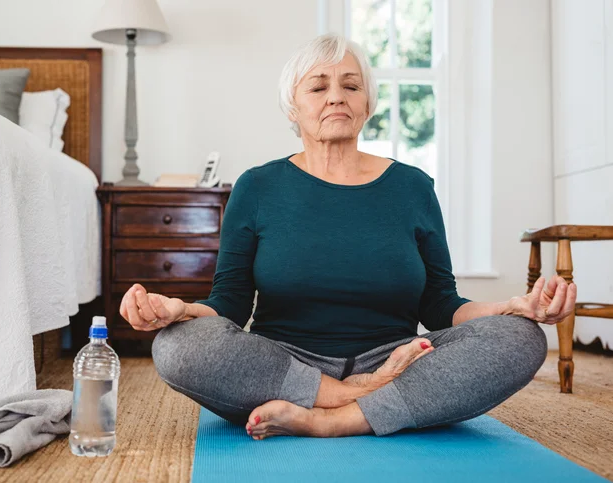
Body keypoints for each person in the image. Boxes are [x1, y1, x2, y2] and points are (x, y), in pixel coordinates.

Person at [119, 34, 577, 440]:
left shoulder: (413, 186)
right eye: (318, 87)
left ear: (367, 104)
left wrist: (511, 307)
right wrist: (179, 311)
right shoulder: (257, 187)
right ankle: (347, 398)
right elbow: (231, 305)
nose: (336, 97)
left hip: (395, 363)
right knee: (177, 344)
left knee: (521, 337)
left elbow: (440, 304)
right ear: (292, 107)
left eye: (351, 86)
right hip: (285, 365)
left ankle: (333, 419)